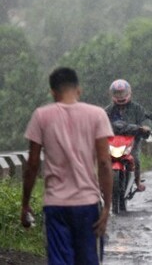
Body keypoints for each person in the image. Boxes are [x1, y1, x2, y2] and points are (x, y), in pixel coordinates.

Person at [21, 67, 113, 264]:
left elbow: (32, 165)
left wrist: (25, 203)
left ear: (53, 92)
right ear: (78, 89)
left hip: (56, 205)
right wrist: (107, 208)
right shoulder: (97, 115)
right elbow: (105, 163)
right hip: (87, 203)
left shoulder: (41, 116)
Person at [105, 79, 152, 192]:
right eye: (117, 93)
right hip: (114, 140)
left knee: (135, 158)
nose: (120, 96)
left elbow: (145, 119)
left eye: (122, 93)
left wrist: (145, 127)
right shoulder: (109, 109)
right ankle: (101, 181)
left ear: (129, 93)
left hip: (132, 140)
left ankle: (137, 181)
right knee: (103, 159)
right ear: (112, 94)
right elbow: (100, 119)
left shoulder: (137, 108)